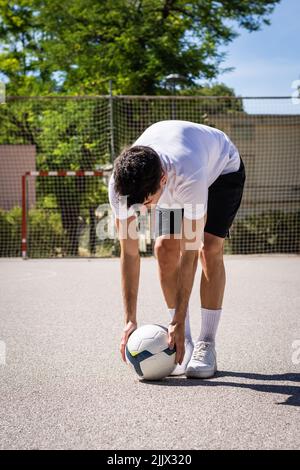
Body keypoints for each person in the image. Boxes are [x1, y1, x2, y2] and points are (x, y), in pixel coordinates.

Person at [108, 120, 246, 378]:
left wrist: (177, 320)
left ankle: (206, 343)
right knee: (163, 248)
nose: (146, 209)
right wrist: (130, 319)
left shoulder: (189, 174)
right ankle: (186, 342)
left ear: (162, 180)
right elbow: (128, 252)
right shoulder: (121, 186)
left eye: (148, 203)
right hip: (169, 186)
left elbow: (191, 252)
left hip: (221, 170)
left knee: (209, 248)